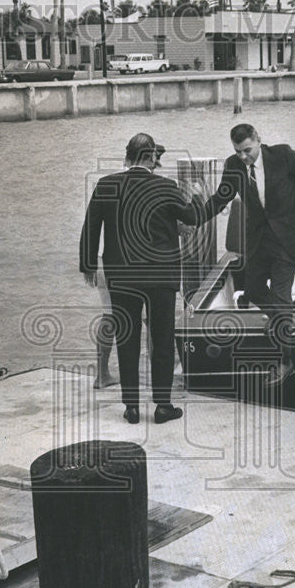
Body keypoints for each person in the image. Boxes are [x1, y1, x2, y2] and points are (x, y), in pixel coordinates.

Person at [80, 133, 213, 424]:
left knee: (127, 339)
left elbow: (91, 228)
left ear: (127, 156)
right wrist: (201, 195)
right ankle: (163, 406)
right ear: (151, 157)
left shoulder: (106, 185)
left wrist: (88, 266)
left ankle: (131, 407)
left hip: (122, 276)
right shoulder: (166, 187)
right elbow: (191, 218)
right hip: (160, 276)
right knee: (162, 340)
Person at [200, 124, 295, 384]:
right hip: (260, 240)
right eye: (238, 151)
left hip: (288, 239)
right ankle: (279, 319)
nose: (243, 157)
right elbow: (221, 199)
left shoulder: (282, 155)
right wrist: (194, 219)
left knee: (280, 295)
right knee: (252, 289)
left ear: (259, 141)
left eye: (247, 150)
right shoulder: (233, 165)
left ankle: (286, 361)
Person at [91, 143, 166, 389]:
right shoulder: (154, 187)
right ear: (151, 160)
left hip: (109, 262)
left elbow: (94, 224)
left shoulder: (110, 182)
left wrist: (88, 262)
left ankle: (102, 374)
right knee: (153, 321)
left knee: (110, 317)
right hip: (140, 267)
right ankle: (156, 378)